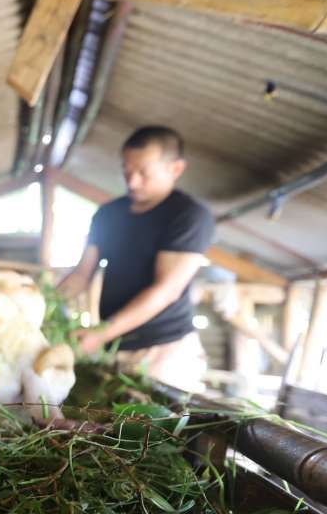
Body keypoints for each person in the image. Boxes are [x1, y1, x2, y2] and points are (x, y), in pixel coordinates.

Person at [57, 126, 215, 392]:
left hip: (164, 351)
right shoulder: (107, 215)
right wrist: (46, 302)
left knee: (156, 428)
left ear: (175, 169)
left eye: (144, 173)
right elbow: (81, 275)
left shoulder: (189, 216)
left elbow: (166, 290)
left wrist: (102, 332)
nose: (132, 182)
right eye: (127, 171)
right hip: (116, 345)